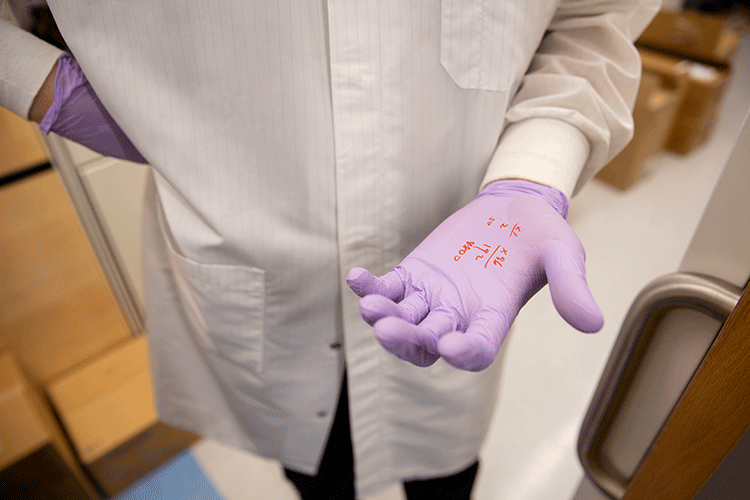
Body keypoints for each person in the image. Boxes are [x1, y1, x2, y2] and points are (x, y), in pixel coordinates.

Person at [1, 0, 660, 498]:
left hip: (454, 262)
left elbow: (592, 16)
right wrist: (46, 87)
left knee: (445, 475)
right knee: (317, 474)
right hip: (254, 258)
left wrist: (532, 173)